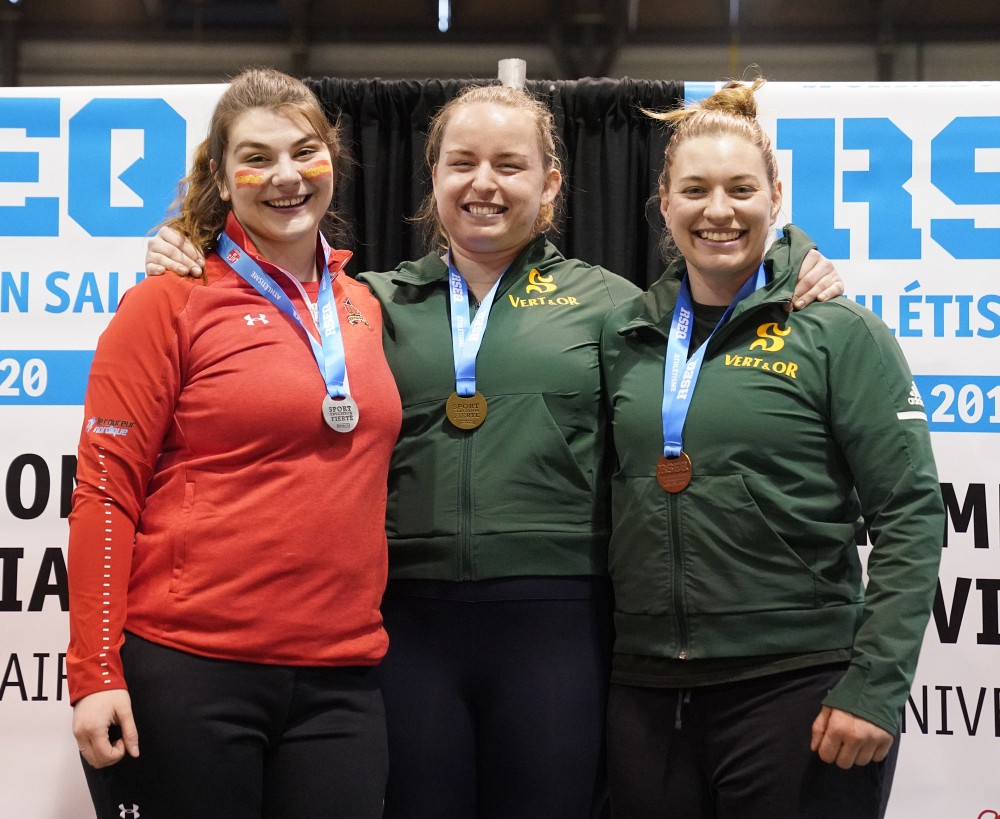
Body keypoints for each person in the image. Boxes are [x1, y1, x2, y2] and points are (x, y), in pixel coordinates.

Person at [144, 81, 844, 818]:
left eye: (509, 165)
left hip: (557, 629)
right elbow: (262, 286)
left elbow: (726, 290)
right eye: (462, 163)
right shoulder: (362, 303)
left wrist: (800, 265)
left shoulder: (615, 307)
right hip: (409, 629)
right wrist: (185, 246)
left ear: (550, 183)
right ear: (434, 178)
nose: (484, 184)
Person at [599, 78, 944, 818]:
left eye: (739, 189)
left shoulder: (837, 332)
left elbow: (912, 514)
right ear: (664, 202)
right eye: (694, 189)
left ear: (775, 196)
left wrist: (876, 688)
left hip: (799, 687)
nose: (717, 210)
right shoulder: (624, 336)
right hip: (648, 695)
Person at [67, 67, 401, 819]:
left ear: (333, 159)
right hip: (191, 671)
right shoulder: (168, 302)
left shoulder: (364, 306)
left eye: (303, 151)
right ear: (221, 176)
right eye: (255, 157)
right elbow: (103, 491)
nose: (285, 175)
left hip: (340, 681)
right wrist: (93, 671)